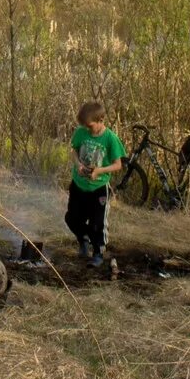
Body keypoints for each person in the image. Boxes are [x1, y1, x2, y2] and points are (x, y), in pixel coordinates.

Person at [66, 100, 125, 267]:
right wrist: (78, 164)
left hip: (98, 189)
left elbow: (118, 164)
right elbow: (74, 151)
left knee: (97, 223)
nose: (87, 129)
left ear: (101, 120)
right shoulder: (80, 132)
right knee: (72, 218)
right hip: (78, 186)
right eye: (84, 126)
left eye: (90, 126)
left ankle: (98, 253)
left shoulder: (110, 138)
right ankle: (83, 239)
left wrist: (99, 171)